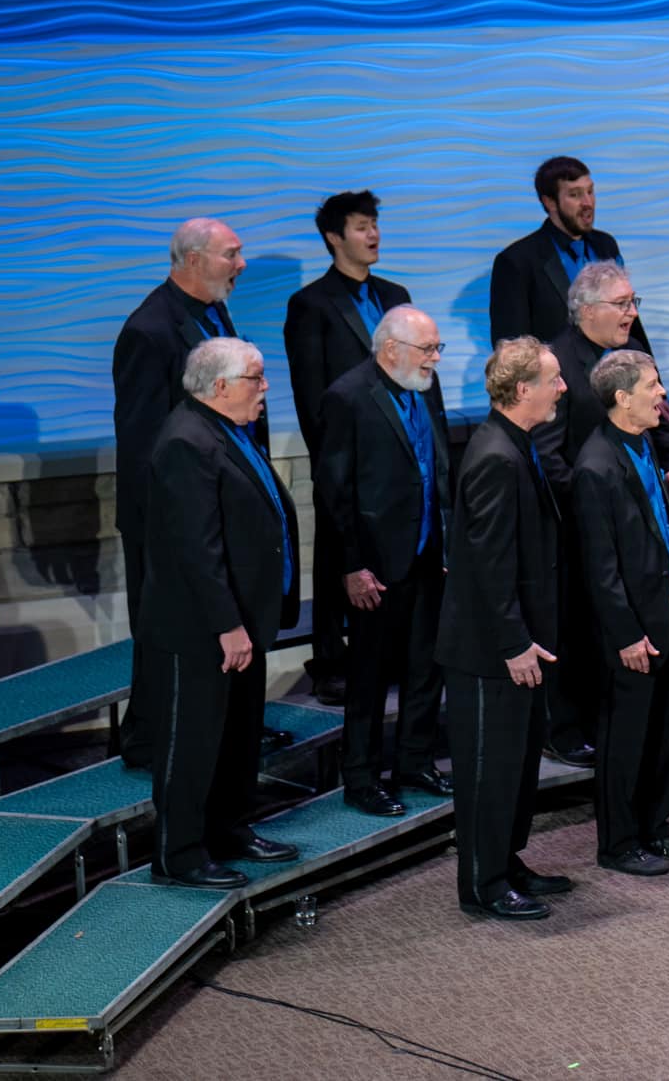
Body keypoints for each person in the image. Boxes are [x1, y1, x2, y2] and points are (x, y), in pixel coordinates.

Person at [113, 218, 285, 767]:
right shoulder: (150, 330)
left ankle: (227, 728)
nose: (241, 265)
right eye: (231, 254)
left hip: (217, 509)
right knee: (169, 637)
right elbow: (142, 442)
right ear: (192, 259)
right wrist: (173, 529)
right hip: (171, 520)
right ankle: (149, 739)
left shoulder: (212, 311)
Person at [140, 338, 300, 888]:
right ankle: (179, 855)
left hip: (243, 622)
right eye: (256, 379)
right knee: (194, 741)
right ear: (220, 386)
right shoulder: (186, 441)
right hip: (204, 628)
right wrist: (227, 624)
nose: (266, 389)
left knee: (237, 735)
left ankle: (229, 829)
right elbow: (196, 549)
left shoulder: (227, 429)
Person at [434, 337, 572, 920]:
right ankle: (483, 883)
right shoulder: (495, 455)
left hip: (520, 644)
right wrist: (515, 642)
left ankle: (506, 863)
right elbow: (489, 566)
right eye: (553, 378)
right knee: (489, 773)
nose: (563, 387)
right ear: (523, 390)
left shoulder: (518, 443)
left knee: (516, 770)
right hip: (491, 651)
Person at [533, 261, 669, 767]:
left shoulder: (634, 354)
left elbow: (662, 425)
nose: (632, 313)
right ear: (587, 310)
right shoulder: (556, 362)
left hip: (637, 512)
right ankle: (567, 728)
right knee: (576, 623)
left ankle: (610, 720)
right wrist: (591, 502)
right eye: (622, 304)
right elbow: (547, 452)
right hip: (580, 518)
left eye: (634, 302)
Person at [313, 306, 453, 818]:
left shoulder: (424, 386)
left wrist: (448, 542)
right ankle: (362, 777)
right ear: (390, 349)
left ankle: (414, 762)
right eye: (428, 349)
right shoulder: (347, 397)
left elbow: (438, 471)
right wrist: (351, 566)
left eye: (438, 349)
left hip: (425, 553)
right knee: (369, 678)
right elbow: (333, 492)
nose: (435, 359)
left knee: (425, 667)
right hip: (374, 563)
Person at [286, 190, 411, 704]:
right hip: (344, 455)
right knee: (341, 551)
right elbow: (310, 393)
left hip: (397, 454)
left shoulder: (395, 294)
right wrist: (331, 459)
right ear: (335, 238)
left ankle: (395, 651)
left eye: (375, 224)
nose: (373, 234)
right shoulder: (311, 304)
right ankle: (332, 660)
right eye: (362, 226)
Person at [574, 349, 669, 875]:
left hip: (665, 610)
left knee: (666, 730)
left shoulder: (645, 445)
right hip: (631, 628)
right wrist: (625, 634)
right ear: (623, 399)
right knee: (626, 739)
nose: (662, 394)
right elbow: (600, 568)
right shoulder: (595, 466)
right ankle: (619, 842)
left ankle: (656, 825)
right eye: (653, 386)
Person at [489, 155, 651, 349]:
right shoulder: (517, 262)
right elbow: (512, 348)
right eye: (575, 195)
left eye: (590, 192)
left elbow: (627, 314)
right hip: (559, 376)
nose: (587, 202)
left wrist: (651, 373)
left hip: (615, 373)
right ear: (549, 202)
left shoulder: (606, 245)